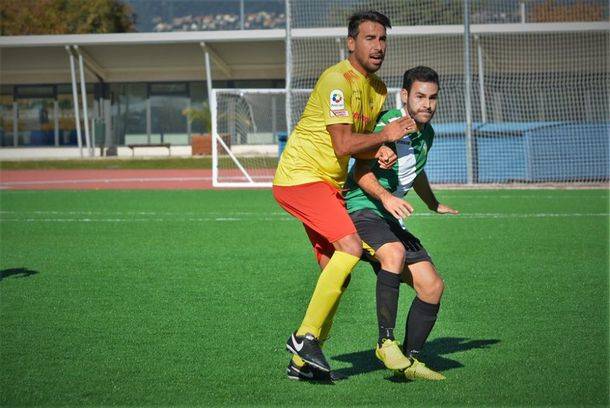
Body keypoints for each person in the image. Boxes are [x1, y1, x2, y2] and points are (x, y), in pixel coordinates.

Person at [273, 10, 417, 381]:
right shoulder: (336, 80)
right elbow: (342, 143)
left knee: (336, 270)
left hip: (327, 184)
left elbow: (357, 148)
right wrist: (386, 137)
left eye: (383, 39)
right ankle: (305, 338)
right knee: (351, 248)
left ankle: (302, 362)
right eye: (370, 38)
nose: (378, 46)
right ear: (351, 43)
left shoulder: (379, 89)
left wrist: (380, 152)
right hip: (301, 178)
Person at [344, 66, 458, 381]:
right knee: (393, 252)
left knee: (432, 286)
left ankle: (411, 361)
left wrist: (432, 203)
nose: (427, 104)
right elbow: (359, 172)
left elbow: (416, 171)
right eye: (420, 96)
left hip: (388, 217)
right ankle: (385, 342)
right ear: (405, 95)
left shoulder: (427, 134)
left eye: (433, 98)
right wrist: (386, 197)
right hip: (362, 209)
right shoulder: (389, 123)